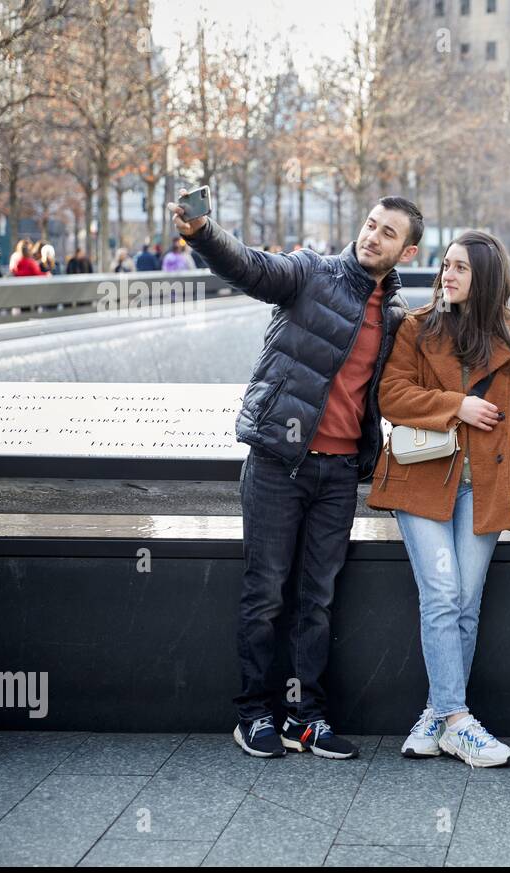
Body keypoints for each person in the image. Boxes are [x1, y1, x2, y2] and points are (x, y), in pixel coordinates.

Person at [168, 192, 423, 760]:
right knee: (264, 594)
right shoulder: (311, 273)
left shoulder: (399, 318)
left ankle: (307, 718)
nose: (372, 237)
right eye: (370, 225)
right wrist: (204, 232)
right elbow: (251, 267)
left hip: (338, 476)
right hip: (278, 465)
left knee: (318, 599)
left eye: (387, 233)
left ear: (407, 249)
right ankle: (253, 713)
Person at [368, 230, 510, 769]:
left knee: (465, 601)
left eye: (461, 267)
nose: (448, 274)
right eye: (446, 265)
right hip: (422, 481)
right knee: (441, 593)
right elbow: (391, 396)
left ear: (485, 277)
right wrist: (457, 405)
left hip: (484, 484)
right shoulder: (417, 328)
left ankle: (436, 717)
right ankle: (459, 721)